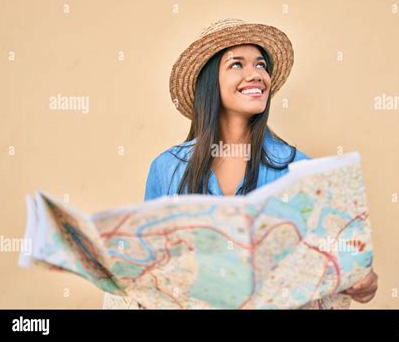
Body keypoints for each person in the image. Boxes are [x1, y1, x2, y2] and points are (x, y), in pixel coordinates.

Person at [103, 18, 377, 309]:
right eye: (237, 65)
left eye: (261, 65)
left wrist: (362, 278)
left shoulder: (299, 167)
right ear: (211, 83)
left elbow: (333, 256)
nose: (256, 74)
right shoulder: (167, 167)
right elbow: (150, 260)